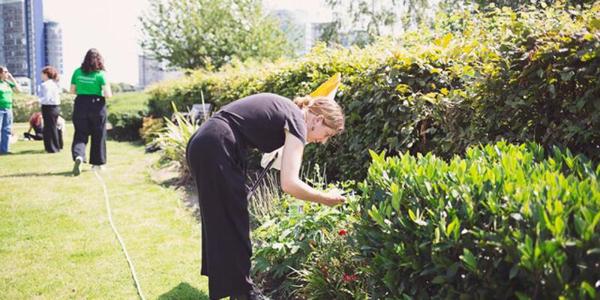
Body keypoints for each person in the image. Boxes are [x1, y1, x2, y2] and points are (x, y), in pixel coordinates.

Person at [186, 92, 346, 300]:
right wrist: (325, 198)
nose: (322, 141)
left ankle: (237, 292)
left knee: (223, 222)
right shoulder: (297, 120)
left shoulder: (289, 111)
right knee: (235, 224)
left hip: (206, 141)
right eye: (327, 134)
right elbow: (290, 184)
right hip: (217, 145)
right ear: (318, 119)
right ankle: (245, 294)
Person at [70, 48, 112, 175]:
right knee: (98, 134)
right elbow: (108, 94)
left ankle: (79, 156)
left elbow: (72, 91)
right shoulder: (100, 74)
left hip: (80, 104)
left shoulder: (77, 72)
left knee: (80, 133)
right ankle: (97, 164)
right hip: (97, 105)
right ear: (99, 60)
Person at [39, 66, 62, 153]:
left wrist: (35, 101)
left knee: (49, 128)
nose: (41, 76)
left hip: (48, 107)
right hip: (55, 107)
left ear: (46, 74)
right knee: (53, 127)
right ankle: (56, 146)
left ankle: (51, 148)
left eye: (42, 74)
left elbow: (46, 98)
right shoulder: (54, 84)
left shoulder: (45, 85)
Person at [0, 65, 21, 154]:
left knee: (7, 129)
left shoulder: (7, 83)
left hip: (8, 108)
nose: (7, 74)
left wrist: (12, 78)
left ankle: (5, 150)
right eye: (5, 72)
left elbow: (18, 90)